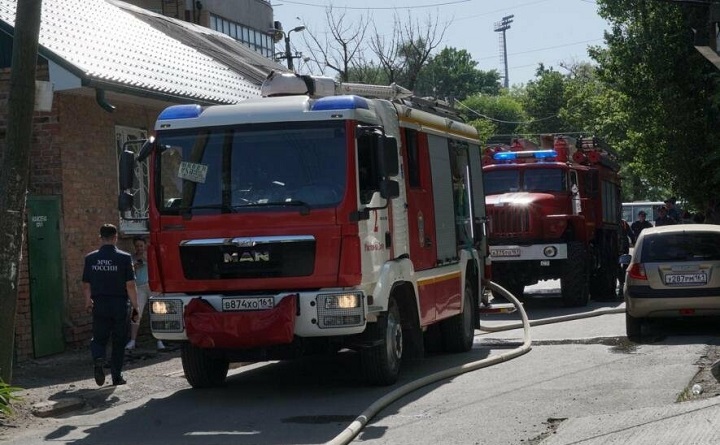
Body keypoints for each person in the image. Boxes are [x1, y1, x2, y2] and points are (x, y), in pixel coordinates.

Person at [82, 224, 139, 386]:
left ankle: (98, 358)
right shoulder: (124, 258)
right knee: (119, 340)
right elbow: (130, 285)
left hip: (99, 303)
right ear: (115, 238)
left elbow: (86, 284)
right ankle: (116, 376)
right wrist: (136, 306)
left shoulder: (90, 258)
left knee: (99, 337)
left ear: (100, 238)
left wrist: (88, 301)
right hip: (119, 304)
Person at [125, 237, 165, 351]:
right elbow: (128, 273)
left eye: (141, 246)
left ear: (145, 246)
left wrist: (145, 259)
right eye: (137, 246)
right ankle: (132, 341)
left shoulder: (150, 256)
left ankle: (159, 340)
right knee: (136, 312)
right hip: (139, 287)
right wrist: (135, 267)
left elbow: (157, 268)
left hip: (152, 286)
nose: (139, 248)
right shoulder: (132, 258)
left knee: (157, 313)